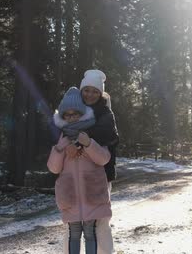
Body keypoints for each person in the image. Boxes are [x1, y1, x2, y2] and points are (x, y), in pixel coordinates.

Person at [47, 87, 112, 254]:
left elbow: (104, 158)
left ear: (82, 113)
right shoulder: (61, 137)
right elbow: (53, 168)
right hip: (70, 196)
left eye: (75, 113)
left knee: (91, 233)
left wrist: (88, 143)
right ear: (63, 117)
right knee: (73, 234)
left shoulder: (92, 132)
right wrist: (61, 147)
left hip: (92, 193)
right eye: (67, 115)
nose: (72, 117)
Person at [66, 69, 119, 254]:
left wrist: (81, 141)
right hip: (75, 173)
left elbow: (109, 136)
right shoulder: (74, 110)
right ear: (81, 90)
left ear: (100, 93)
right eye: (86, 90)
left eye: (95, 91)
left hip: (101, 173)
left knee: (100, 221)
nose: (90, 94)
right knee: (72, 223)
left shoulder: (105, 113)